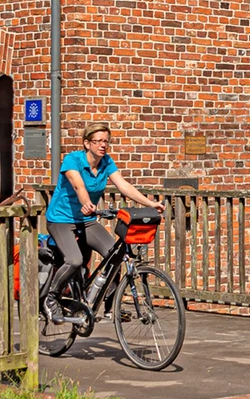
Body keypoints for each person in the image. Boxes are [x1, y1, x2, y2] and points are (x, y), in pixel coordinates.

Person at [42, 122, 164, 323]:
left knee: (116, 254)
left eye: (106, 141)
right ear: (87, 143)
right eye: (98, 141)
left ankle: (109, 304)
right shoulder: (73, 160)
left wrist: (151, 203)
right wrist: (87, 203)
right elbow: (78, 185)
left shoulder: (107, 162)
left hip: (87, 221)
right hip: (61, 220)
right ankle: (52, 298)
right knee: (74, 260)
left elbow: (123, 185)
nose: (103, 145)